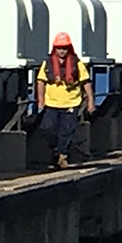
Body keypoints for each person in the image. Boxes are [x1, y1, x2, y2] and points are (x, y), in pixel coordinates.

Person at [36, 32, 94, 169]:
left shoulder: (77, 64)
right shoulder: (47, 63)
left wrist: (90, 101)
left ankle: (63, 155)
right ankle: (56, 152)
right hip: (52, 103)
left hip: (71, 103)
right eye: (59, 48)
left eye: (64, 48)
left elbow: (86, 82)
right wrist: (41, 100)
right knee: (47, 128)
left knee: (67, 131)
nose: (62, 51)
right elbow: (41, 82)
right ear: (54, 49)